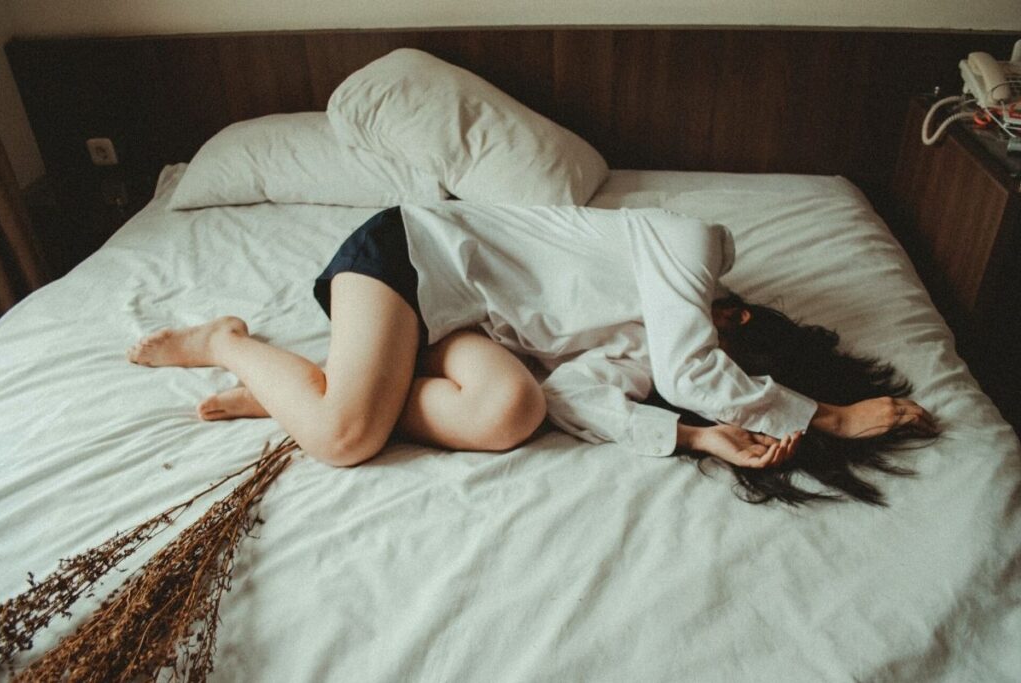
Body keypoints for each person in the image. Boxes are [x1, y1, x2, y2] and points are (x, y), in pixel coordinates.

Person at [128, 204, 936, 504]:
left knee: (515, 408)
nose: (697, 355)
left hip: (463, 327)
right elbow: (699, 370)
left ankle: (300, 391)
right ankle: (230, 343)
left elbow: (573, 400)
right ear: (735, 312)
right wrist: (825, 416)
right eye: (730, 347)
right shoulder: (685, 244)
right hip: (417, 256)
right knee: (346, 438)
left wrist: (694, 435)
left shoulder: (648, 356)